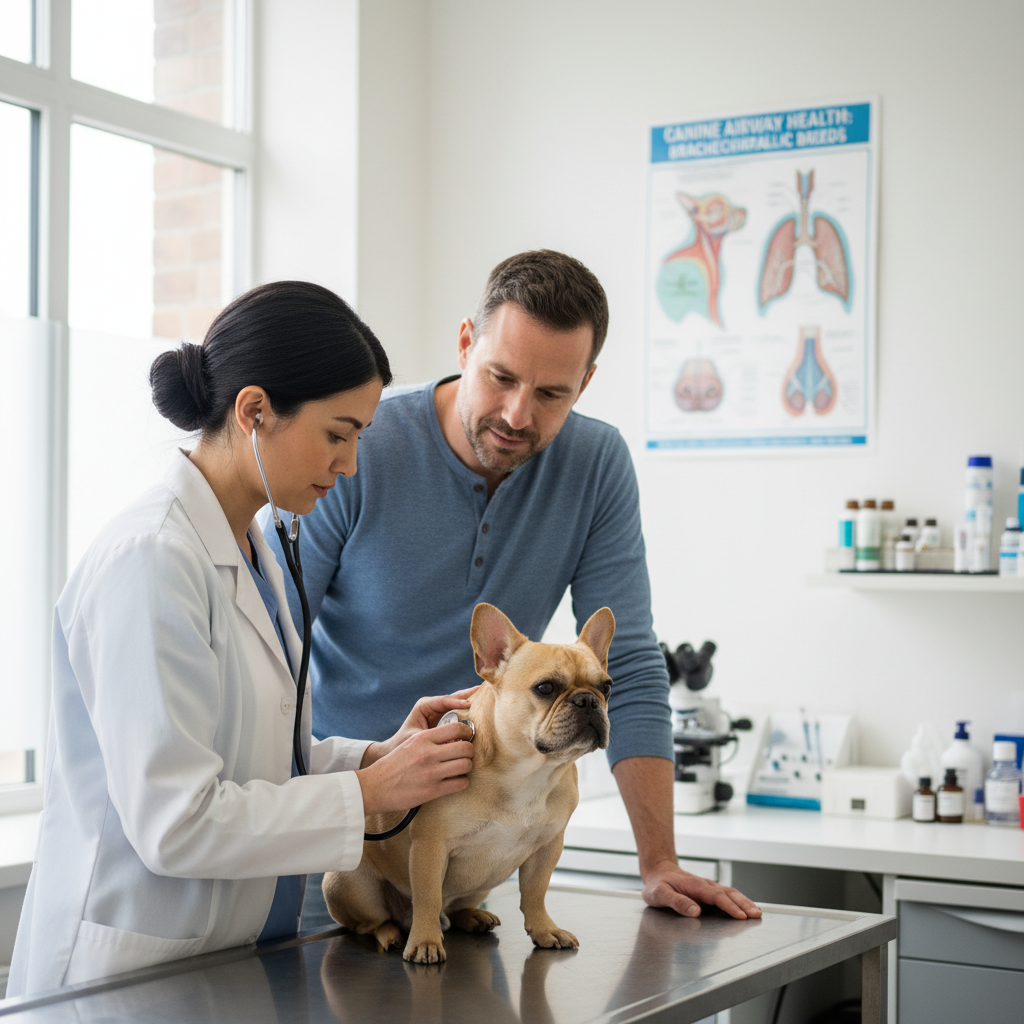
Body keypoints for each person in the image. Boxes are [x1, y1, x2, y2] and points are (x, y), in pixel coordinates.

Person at [266, 251, 761, 927]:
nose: (517, 414)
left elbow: (634, 665)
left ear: (585, 384)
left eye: (552, 393)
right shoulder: (359, 446)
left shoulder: (597, 465)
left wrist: (660, 863)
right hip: (330, 845)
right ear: (466, 342)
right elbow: (267, 643)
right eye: (500, 377)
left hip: (464, 875)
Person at [8, 281, 476, 996]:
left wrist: (380, 757)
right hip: (129, 973)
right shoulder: (151, 558)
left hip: (226, 961)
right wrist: (367, 790)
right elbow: (178, 823)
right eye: (337, 434)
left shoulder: (252, 547)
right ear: (255, 411)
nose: (350, 465)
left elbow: (257, 760)